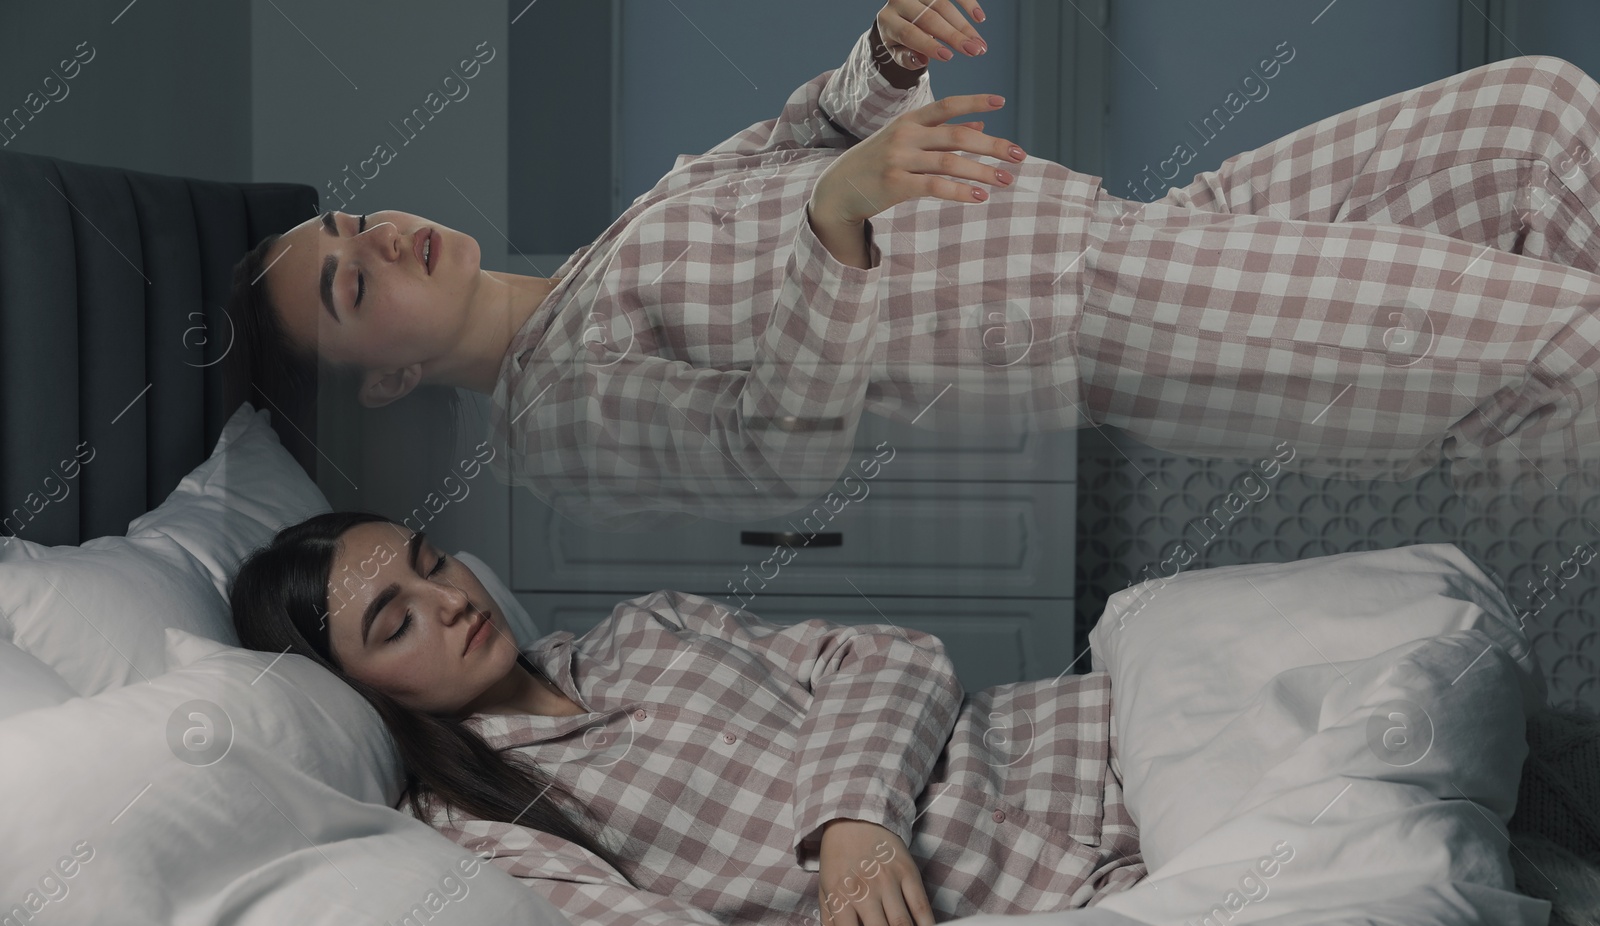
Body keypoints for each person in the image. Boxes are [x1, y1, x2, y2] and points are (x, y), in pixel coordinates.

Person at [226, 1, 1600, 531]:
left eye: (354, 223)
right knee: (1570, 349)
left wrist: (879, 58)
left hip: (1142, 219)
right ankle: (1528, 432)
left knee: (1539, 116)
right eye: (354, 285)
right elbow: (781, 457)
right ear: (394, 375)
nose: (382, 239)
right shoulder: (553, 416)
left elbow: (808, 136)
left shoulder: (611, 244)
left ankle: (1541, 442)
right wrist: (834, 222)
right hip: (1118, 313)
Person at [229, 510, 1146, 926]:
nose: (451, 599)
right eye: (398, 622)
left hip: (1103, 734)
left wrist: (850, 819)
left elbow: (892, 655)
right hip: (1073, 896)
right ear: (358, 692)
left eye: (433, 563)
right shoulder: (480, 827)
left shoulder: (645, 624)